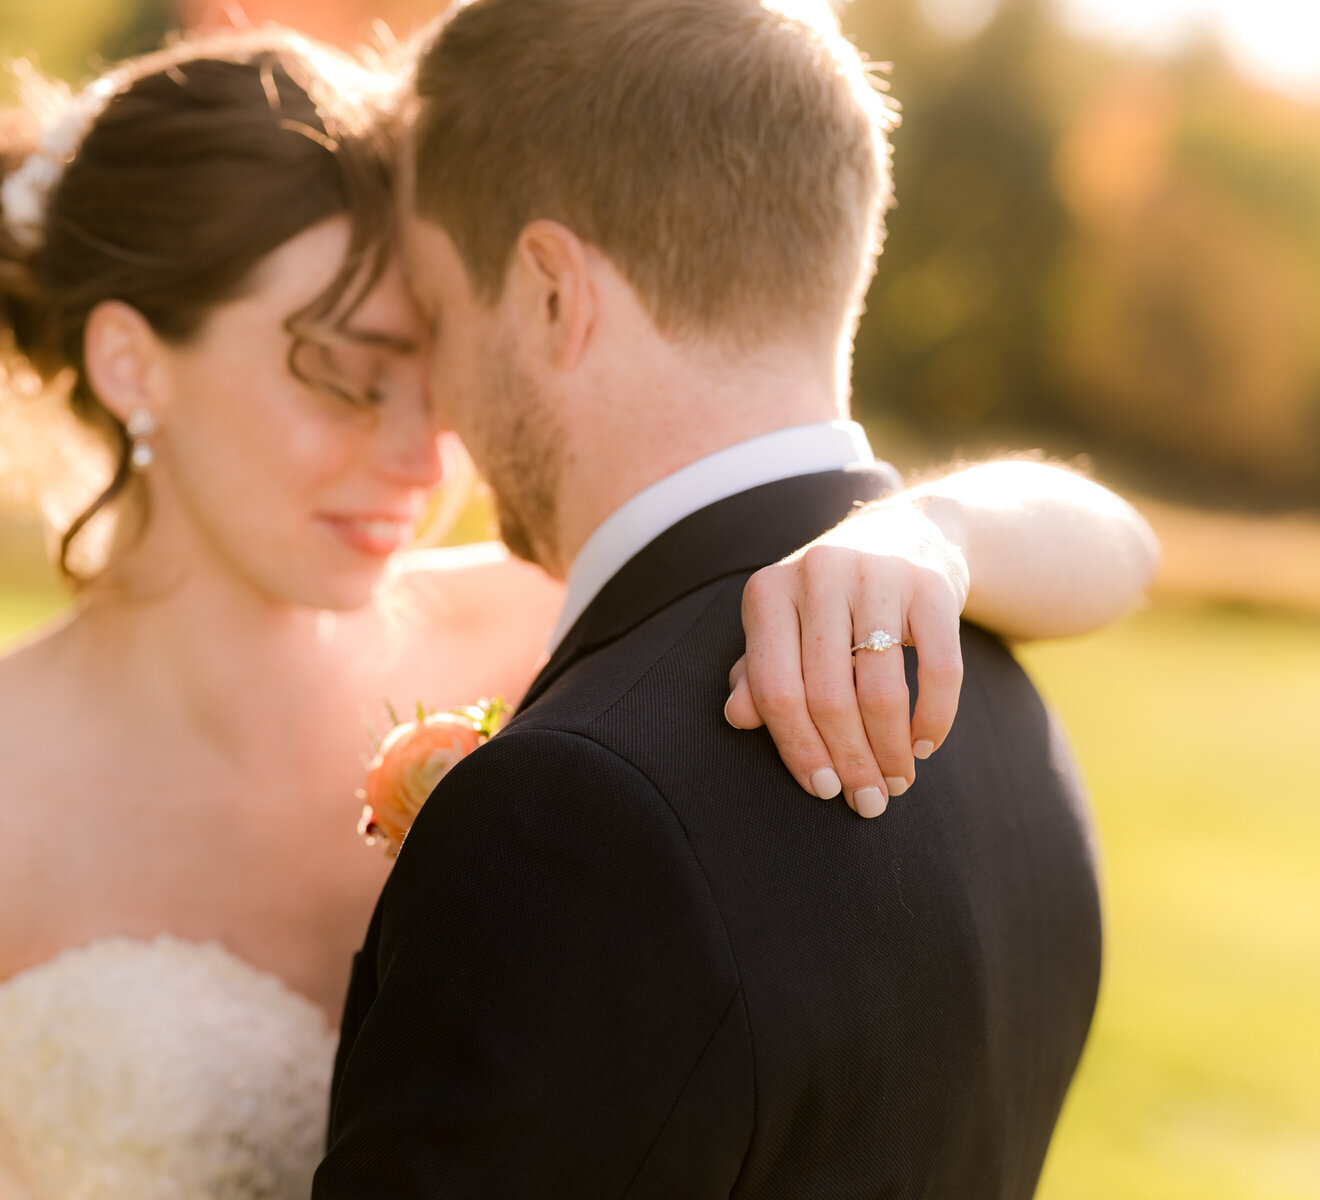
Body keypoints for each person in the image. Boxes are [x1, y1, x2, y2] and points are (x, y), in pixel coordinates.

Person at [0, 23, 1155, 1200]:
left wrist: (934, 530)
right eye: (345, 372)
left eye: (433, 370)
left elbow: (1109, 545)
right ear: (134, 362)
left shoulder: (567, 646)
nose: (421, 453)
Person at [317, 2, 1135, 1197]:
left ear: (550, 292)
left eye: (440, 316)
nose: (435, 403)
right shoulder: (991, 681)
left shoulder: (568, 818)